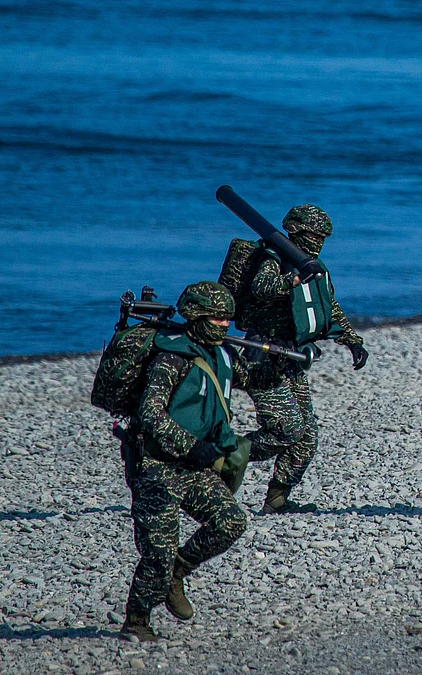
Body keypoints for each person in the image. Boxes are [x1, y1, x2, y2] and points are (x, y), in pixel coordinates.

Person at [121, 282, 255, 641]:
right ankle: (136, 620)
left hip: (196, 470)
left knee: (230, 522)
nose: (225, 325)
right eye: (217, 318)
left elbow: (253, 378)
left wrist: (288, 354)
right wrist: (190, 445)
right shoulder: (171, 358)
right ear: (196, 316)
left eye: (229, 319)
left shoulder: (221, 355)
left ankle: (179, 572)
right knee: (156, 557)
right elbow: (150, 413)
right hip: (157, 469)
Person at [240, 204, 368, 514]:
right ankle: (215, 458)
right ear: (298, 232)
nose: (320, 242)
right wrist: (292, 279)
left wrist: (351, 339)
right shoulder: (273, 258)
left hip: (291, 356)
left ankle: (277, 500)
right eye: (315, 235)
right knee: (285, 430)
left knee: (307, 436)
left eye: (324, 237)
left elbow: (328, 305)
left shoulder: (314, 265)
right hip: (263, 357)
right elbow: (261, 288)